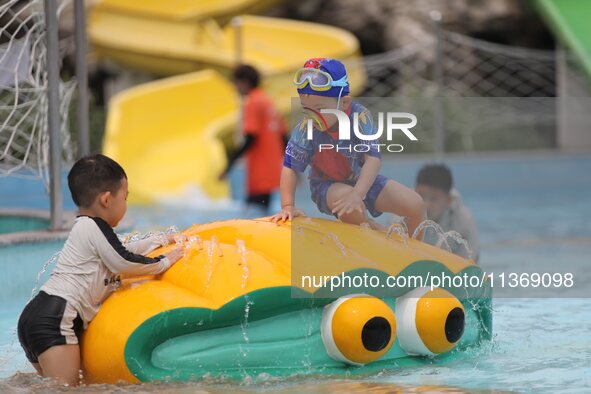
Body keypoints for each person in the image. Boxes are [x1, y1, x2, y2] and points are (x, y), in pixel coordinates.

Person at [17, 154, 184, 386]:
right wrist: (164, 261)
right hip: (55, 320)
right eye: (125, 198)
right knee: (66, 391)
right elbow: (123, 261)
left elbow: (123, 248)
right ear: (107, 200)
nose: (126, 205)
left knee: (46, 388)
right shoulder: (94, 227)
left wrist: (161, 239)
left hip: (37, 315)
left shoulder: (85, 227)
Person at [272, 58, 425, 234]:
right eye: (306, 109)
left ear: (344, 103)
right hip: (328, 187)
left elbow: (373, 160)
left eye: (320, 109)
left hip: (364, 181)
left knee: (416, 205)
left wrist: (358, 193)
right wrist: (288, 205)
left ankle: (413, 250)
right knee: (350, 204)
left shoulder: (359, 118)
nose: (312, 116)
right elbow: (289, 168)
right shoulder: (307, 128)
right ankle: (376, 231)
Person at [219, 64, 288, 214]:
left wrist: (229, 165)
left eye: (235, 83)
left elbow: (251, 137)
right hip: (272, 170)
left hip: (259, 172)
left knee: (253, 216)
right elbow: (283, 136)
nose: (235, 88)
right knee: (265, 213)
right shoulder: (268, 100)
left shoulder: (253, 102)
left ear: (244, 82)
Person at [415, 163, 480, 260]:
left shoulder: (463, 220)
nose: (426, 204)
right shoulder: (401, 213)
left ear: (448, 200)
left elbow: (471, 262)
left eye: (433, 199)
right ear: (414, 192)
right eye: (421, 196)